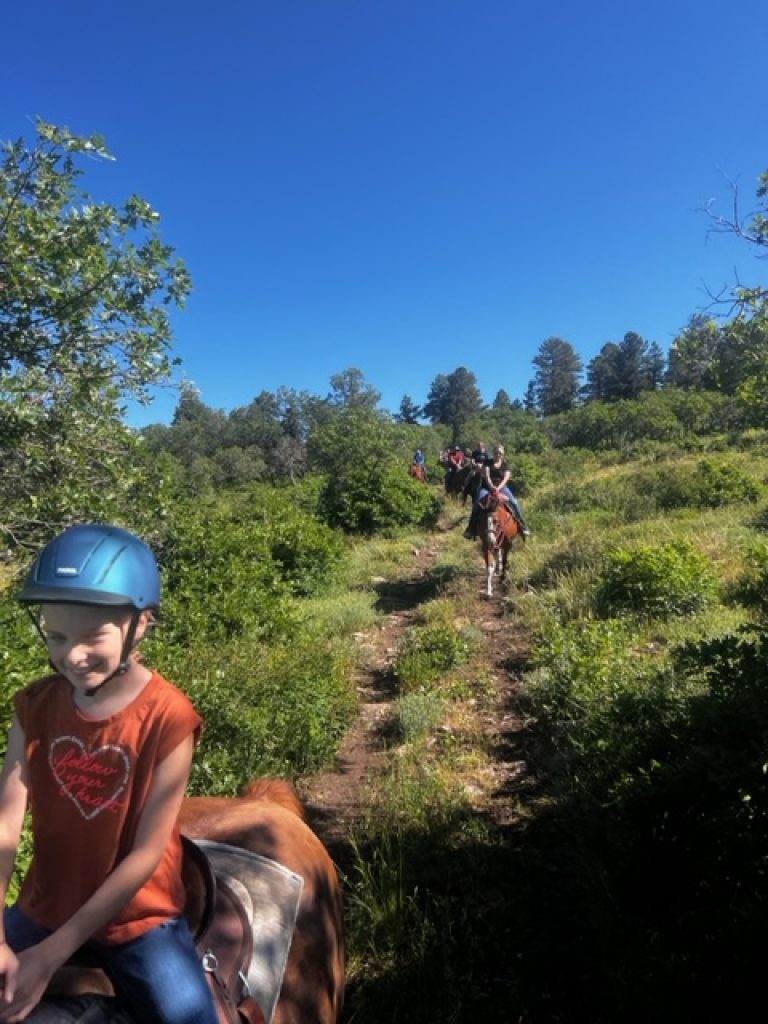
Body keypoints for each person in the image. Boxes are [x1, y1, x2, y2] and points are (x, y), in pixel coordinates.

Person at [0, 524, 218, 1024]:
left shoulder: (169, 717)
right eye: (55, 635)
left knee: (190, 1018)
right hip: (42, 906)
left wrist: (51, 955)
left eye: (92, 635)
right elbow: (6, 825)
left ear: (140, 623)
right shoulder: (33, 707)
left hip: (139, 917)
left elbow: (145, 856)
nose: (71, 655)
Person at [464, 444, 531, 540]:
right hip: (486, 488)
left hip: (502, 487)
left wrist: (498, 489)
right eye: (496, 452)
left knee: (514, 503)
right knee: (476, 504)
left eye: (500, 453)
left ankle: (523, 526)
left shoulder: (505, 465)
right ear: (493, 453)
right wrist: (491, 487)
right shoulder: (487, 462)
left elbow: (505, 479)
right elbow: (487, 476)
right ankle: (470, 529)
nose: (498, 454)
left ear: (503, 454)